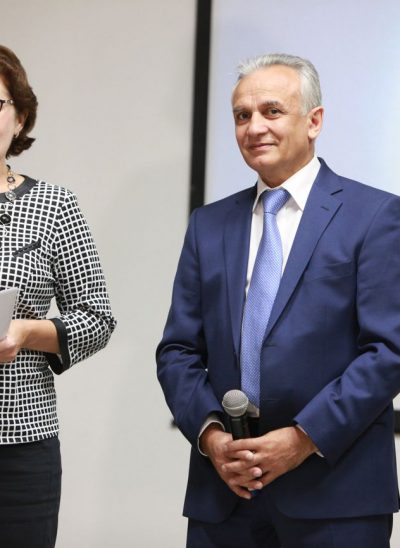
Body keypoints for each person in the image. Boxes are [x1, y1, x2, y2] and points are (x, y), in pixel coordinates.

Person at [157, 53, 400, 547]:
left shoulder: (375, 216)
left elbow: (389, 351)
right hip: (226, 493)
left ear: (314, 121)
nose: (254, 127)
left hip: (336, 495)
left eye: (272, 111)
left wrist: (302, 438)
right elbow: (177, 351)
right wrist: (212, 438)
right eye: (241, 115)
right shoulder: (208, 225)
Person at [0, 45, 116, 547]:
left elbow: (96, 319)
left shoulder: (53, 204)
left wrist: (26, 333)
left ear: (20, 118)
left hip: (19, 443)